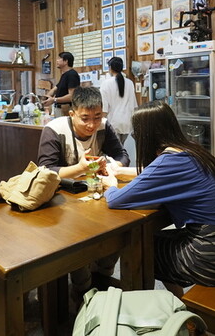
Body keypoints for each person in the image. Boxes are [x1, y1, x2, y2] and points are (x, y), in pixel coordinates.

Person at [102, 101, 215, 297]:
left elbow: (116, 200)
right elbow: (155, 173)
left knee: (140, 248)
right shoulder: (189, 150)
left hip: (212, 259)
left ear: (146, 135)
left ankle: (148, 305)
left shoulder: (169, 162)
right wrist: (121, 171)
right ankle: (177, 300)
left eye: (136, 133)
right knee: (154, 241)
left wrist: (111, 184)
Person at [37, 86, 130, 303]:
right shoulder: (54, 129)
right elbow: (45, 170)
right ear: (72, 114)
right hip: (61, 203)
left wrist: (113, 165)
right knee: (76, 244)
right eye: (85, 118)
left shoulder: (104, 126)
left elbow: (121, 154)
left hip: (95, 196)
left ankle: (102, 276)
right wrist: (80, 168)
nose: (92, 125)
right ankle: (82, 289)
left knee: (119, 231)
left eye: (97, 117)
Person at [100, 57, 137, 144]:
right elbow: (134, 105)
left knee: (114, 149)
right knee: (122, 148)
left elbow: (104, 109)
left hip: (113, 123)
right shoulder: (130, 83)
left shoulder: (105, 84)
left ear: (110, 68)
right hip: (128, 123)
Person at [42, 52, 80, 117]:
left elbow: (72, 96)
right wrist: (46, 97)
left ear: (66, 61)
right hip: (59, 108)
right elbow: (55, 89)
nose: (57, 60)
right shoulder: (64, 74)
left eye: (59, 58)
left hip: (66, 110)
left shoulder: (72, 74)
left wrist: (54, 100)